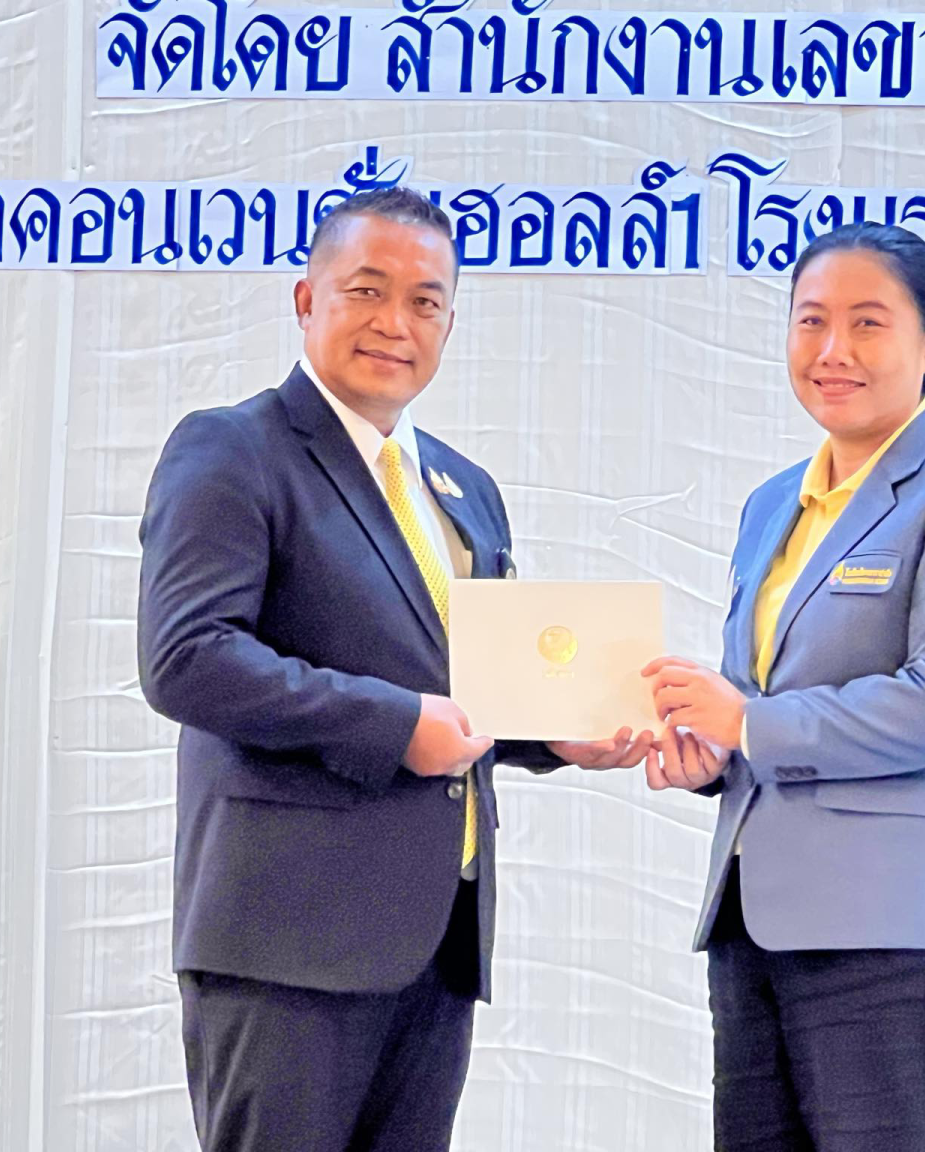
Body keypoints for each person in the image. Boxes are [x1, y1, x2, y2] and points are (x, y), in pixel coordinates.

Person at [137, 187, 651, 1152]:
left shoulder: (464, 487)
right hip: (287, 938)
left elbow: (474, 682)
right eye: (366, 290)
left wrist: (562, 732)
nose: (395, 323)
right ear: (306, 300)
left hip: (435, 940)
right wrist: (394, 724)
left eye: (425, 301)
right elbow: (188, 657)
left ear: (450, 322)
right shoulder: (234, 448)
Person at [642, 223, 925, 1151]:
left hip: (906, 935)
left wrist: (751, 724)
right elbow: (762, 697)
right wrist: (712, 750)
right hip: (760, 931)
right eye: (811, 321)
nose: (833, 349)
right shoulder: (773, 505)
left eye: (868, 323)